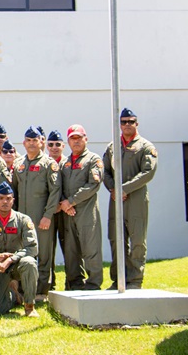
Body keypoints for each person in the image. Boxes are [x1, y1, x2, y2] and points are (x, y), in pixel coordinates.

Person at [103, 108, 158, 289]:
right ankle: (118, 279)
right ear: (119, 124)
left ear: (137, 124)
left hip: (136, 199)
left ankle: (134, 280)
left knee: (137, 241)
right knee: (116, 239)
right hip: (116, 199)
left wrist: (124, 189)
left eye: (131, 121)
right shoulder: (113, 147)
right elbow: (105, 171)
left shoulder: (145, 146)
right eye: (124, 121)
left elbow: (148, 172)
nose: (127, 125)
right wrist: (113, 188)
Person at [12, 125, 61, 301]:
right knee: (24, 254)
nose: (32, 143)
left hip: (42, 218)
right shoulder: (19, 165)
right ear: (24, 143)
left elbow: (55, 191)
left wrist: (48, 216)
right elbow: (13, 192)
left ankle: (42, 291)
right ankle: (25, 288)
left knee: (44, 255)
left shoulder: (49, 164)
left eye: (35, 140)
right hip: (23, 220)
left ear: (41, 142)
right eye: (29, 140)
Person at [0, 182, 39, 317]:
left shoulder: (24, 220)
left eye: (8, 198)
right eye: (1, 198)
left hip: (18, 265)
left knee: (29, 262)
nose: (4, 201)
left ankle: (29, 306)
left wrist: (12, 259)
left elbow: (32, 248)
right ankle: (13, 295)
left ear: (13, 201)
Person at [60, 124, 104, 290]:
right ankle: (75, 284)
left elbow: (93, 184)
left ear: (86, 139)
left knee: (90, 248)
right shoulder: (65, 163)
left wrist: (71, 201)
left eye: (79, 138)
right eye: (73, 138)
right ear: (68, 141)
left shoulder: (93, 160)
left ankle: (93, 284)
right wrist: (65, 203)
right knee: (71, 250)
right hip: (68, 213)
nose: (76, 141)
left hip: (86, 212)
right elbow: (59, 186)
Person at [46, 130, 67, 289]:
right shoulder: (43, 163)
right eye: (51, 144)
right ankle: (49, 284)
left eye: (57, 144)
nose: (54, 148)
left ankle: (73, 283)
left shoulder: (68, 163)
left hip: (67, 212)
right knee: (48, 249)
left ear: (63, 146)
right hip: (49, 213)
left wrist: (63, 204)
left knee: (70, 249)